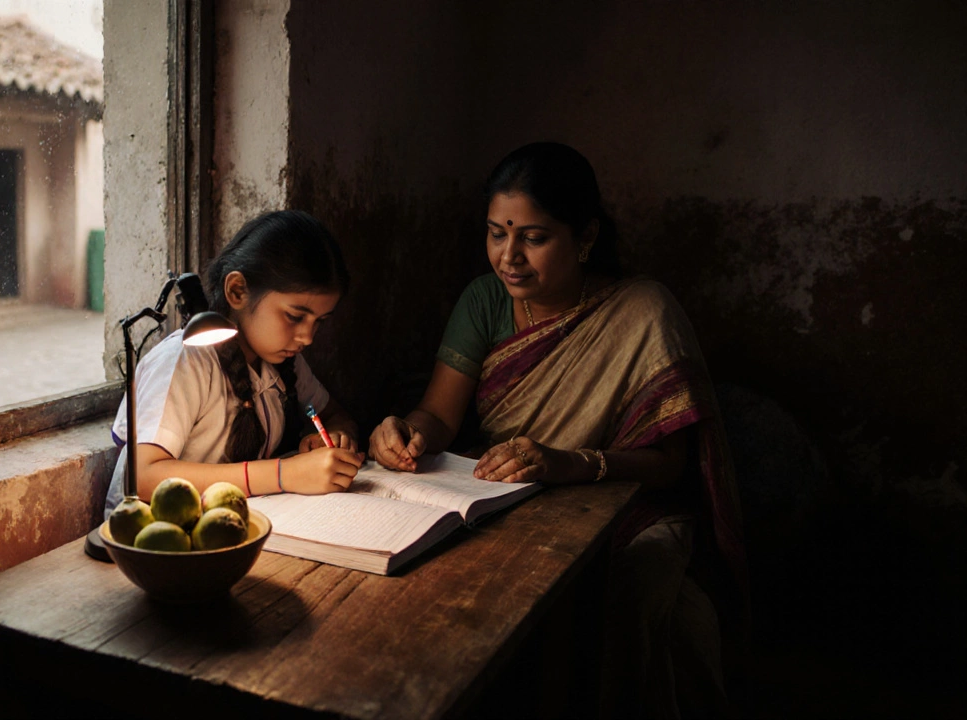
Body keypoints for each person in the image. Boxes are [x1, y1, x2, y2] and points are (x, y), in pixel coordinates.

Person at [368, 142, 748, 718]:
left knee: (635, 597)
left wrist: (570, 462)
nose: (509, 257)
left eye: (534, 237)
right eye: (497, 233)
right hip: (505, 492)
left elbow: (671, 465)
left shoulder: (643, 311)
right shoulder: (484, 300)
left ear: (586, 237)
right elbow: (440, 417)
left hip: (628, 507)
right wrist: (402, 432)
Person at [105, 210, 364, 514]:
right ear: (237, 291)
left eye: (319, 321)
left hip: (228, 528)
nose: (307, 337)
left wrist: (333, 439)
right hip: (157, 540)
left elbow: (337, 416)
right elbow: (142, 477)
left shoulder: (283, 364)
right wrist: (285, 474)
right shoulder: (186, 361)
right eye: (295, 317)